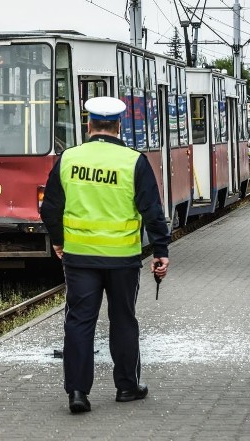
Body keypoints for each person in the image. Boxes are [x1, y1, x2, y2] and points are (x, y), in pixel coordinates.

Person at [40, 96, 170, 414]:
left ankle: (77, 394)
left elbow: (50, 208)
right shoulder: (133, 161)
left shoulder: (69, 159)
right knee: (123, 320)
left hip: (80, 257)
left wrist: (59, 241)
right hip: (123, 259)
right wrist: (161, 251)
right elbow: (152, 211)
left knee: (79, 322)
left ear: (89, 124)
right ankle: (127, 387)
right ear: (119, 125)